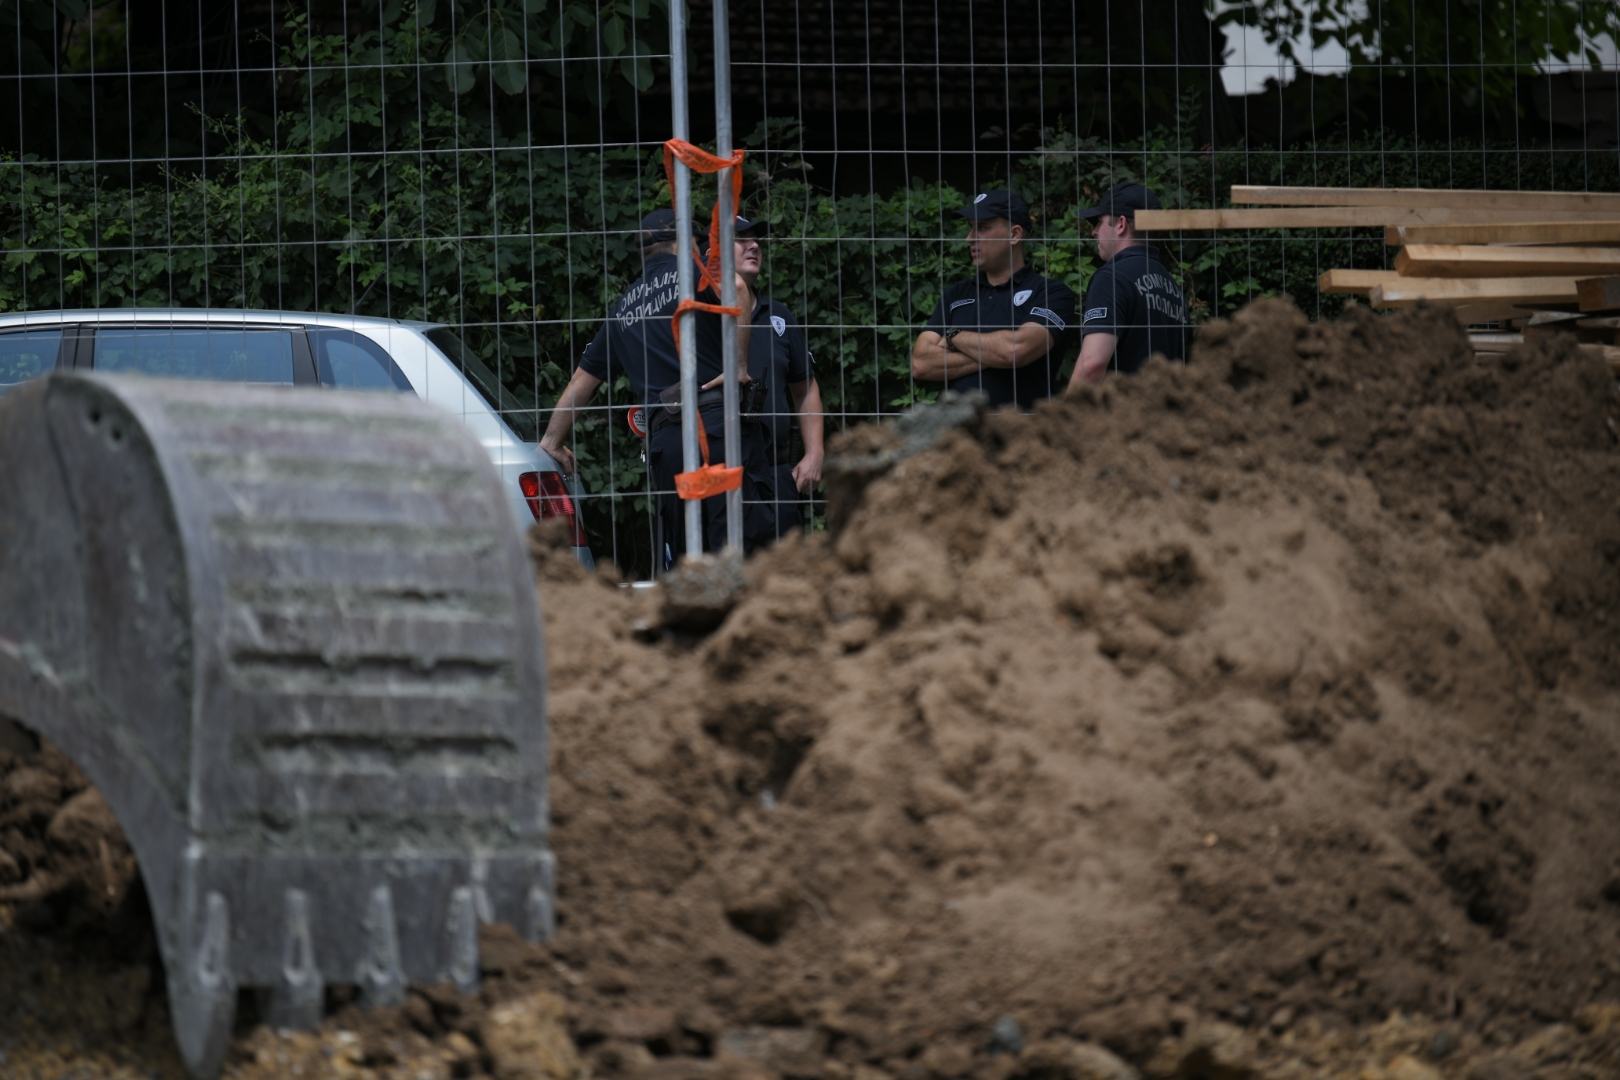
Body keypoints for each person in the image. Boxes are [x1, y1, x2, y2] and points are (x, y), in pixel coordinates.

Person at [538, 208, 766, 567]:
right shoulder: (696, 273)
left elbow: (582, 380)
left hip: (668, 446)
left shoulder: (622, 307)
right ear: (679, 241)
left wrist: (551, 441)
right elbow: (737, 288)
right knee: (736, 546)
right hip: (716, 431)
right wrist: (738, 367)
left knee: (690, 557)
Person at [910, 189, 1076, 410]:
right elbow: (920, 364)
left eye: (983, 227)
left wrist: (953, 336)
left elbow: (1014, 352)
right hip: (958, 438)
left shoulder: (1051, 293)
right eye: (971, 227)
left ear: (1014, 235)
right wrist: (993, 352)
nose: (970, 237)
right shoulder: (956, 294)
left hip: (1023, 436)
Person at [730, 215, 824, 539]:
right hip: (719, 474)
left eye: (757, 240)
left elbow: (805, 387)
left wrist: (814, 453)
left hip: (775, 473)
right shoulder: (695, 318)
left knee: (786, 577)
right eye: (741, 239)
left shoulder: (779, 316)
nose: (754, 245)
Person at [1066, 181, 1191, 391]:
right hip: (1169, 419)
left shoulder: (1112, 277)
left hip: (1124, 418)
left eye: (1099, 222)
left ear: (1121, 224)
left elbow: (1092, 365)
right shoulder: (1172, 287)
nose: (1094, 232)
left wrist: (1063, 419)